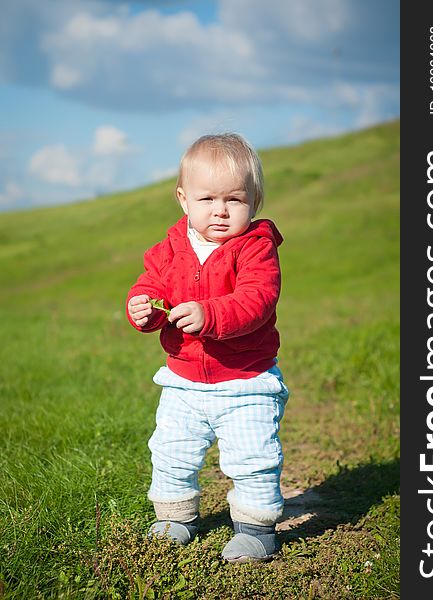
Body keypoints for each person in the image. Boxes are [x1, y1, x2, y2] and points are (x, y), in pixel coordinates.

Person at [126, 133, 289, 563]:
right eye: (207, 199)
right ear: (183, 199)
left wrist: (210, 315)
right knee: (171, 450)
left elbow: (258, 299)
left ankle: (256, 529)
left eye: (234, 199)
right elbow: (151, 286)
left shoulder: (256, 247)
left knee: (252, 456)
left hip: (247, 379)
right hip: (182, 379)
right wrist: (142, 309)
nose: (220, 210)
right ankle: (175, 515)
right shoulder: (169, 250)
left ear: (254, 200)